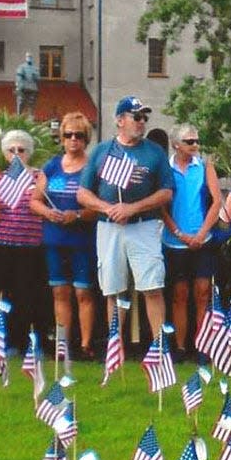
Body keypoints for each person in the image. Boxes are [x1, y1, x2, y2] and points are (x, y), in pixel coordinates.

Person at [77, 95, 174, 349]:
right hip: (109, 227)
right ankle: (114, 347)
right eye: (136, 117)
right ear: (120, 120)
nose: (141, 122)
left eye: (144, 117)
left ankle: (159, 346)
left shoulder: (154, 152)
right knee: (113, 289)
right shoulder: (101, 151)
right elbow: (83, 193)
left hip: (144, 226)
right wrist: (108, 208)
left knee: (152, 285)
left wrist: (132, 207)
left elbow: (166, 191)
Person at [30, 112, 98, 360]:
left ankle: (86, 344)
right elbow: (35, 201)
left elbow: (98, 206)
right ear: (62, 138)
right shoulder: (52, 166)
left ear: (86, 139)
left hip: (82, 240)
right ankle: (63, 345)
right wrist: (49, 213)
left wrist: (78, 215)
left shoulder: (92, 168)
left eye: (79, 135)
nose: (73, 140)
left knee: (83, 293)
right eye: (68, 135)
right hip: (54, 239)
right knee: (60, 292)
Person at [160, 124, 222, 360]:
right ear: (176, 145)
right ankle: (180, 346)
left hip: (202, 240)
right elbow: (161, 206)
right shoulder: (165, 169)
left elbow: (217, 201)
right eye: (190, 142)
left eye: (196, 141)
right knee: (179, 293)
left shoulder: (205, 167)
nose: (195, 145)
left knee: (203, 292)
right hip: (174, 242)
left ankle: (203, 346)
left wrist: (202, 233)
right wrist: (178, 233)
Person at [0, 130, 49, 347]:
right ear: (6, 154)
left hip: (30, 244)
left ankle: (26, 340)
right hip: (1, 243)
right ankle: (4, 341)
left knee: (27, 294)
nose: (16, 154)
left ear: (28, 153)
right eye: (11, 150)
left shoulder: (38, 177)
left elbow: (43, 206)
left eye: (21, 150)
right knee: (4, 295)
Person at [15, 51, 40, 116]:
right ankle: (19, 117)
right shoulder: (22, 67)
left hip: (32, 88)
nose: (29, 58)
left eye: (30, 56)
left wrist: (35, 76)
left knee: (31, 104)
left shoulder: (35, 68)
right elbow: (18, 77)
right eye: (28, 56)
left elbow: (38, 78)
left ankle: (30, 118)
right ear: (26, 57)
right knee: (21, 102)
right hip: (23, 88)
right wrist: (18, 87)